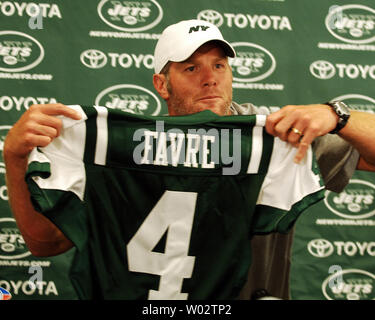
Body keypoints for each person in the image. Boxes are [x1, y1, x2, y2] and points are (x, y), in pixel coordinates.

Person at [3, 19, 375, 299]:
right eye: (191, 68)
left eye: (219, 65)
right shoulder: (112, 146)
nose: (210, 79)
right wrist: (15, 158)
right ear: (161, 84)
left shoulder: (276, 136)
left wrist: (337, 116)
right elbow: (45, 244)